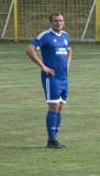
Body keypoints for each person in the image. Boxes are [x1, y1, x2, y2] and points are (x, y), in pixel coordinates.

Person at [25, 13, 71, 149]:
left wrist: (67, 65)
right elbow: (29, 49)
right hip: (51, 78)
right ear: (50, 22)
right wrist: (43, 66)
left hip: (63, 78)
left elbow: (69, 50)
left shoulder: (65, 36)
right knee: (54, 107)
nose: (59, 23)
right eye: (55, 21)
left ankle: (55, 138)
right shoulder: (45, 36)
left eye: (61, 20)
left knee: (60, 107)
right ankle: (51, 140)